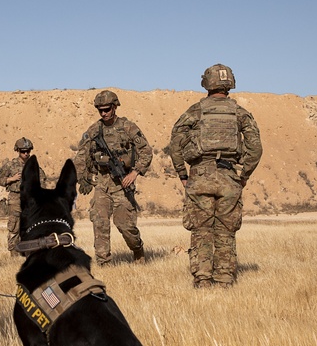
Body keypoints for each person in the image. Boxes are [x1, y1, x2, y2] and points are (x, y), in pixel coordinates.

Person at [169, 64, 261, 288]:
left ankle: (202, 280)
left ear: (206, 83)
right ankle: (224, 280)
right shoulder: (239, 113)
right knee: (225, 231)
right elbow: (255, 148)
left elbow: (175, 143)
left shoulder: (195, 111)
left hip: (200, 176)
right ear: (230, 83)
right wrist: (243, 176)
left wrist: (183, 174)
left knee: (201, 230)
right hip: (229, 177)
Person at [73, 90, 152, 265]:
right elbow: (81, 156)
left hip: (122, 185)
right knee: (100, 223)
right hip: (102, 184)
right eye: (100, 110)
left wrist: (135, 172)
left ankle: (137, 249)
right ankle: (104, 263)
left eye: (107, 109)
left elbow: (146, 151)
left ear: (115, 107)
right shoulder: (94, 130)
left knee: (125, 226)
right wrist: (81, 178)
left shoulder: (128, 127)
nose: (103, 113)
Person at [0, 138, 47, 255]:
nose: (26, 154)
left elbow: (43, 182)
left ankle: (30, 253)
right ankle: (14, 255)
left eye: (28, 151)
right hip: (15, 199)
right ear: (18, 151)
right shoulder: (10, 165)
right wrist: (11, 179)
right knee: (14, 227)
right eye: (23, 151)